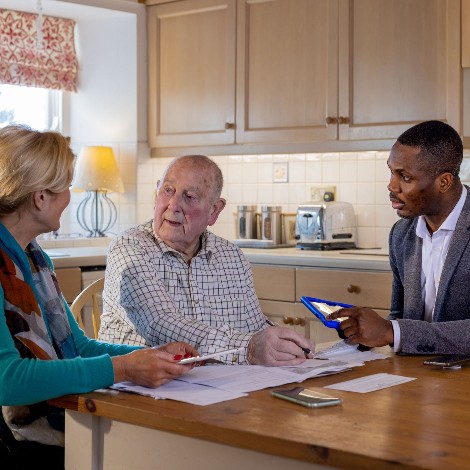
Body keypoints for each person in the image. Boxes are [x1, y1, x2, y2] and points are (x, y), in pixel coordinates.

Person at [0, 125, 198, 469]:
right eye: (66, 188)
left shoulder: (33, 258)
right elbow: (8, 379)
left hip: (56, 429)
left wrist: (150, 356)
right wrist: (123, 368)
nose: (69, 197)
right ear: (40, 198)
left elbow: (79, 347)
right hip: (13, 443)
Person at [98, 154, 314, 365]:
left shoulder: (231, 256)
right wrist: (249, 348)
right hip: (136, 389)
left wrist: (287, 344)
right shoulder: (129, 247)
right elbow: (160, 324)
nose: (173, 205)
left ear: (214, 210)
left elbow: (254, 327)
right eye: (167, 190)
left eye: (189, 196)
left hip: (211, 387)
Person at [327, 120, 470, 355]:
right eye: (392, 172)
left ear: (444, 182)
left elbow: (398, 329)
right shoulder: (401, 234)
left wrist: (392, 331)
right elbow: (400, 317)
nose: (391, 186)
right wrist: (367, 333)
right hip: (419, 374)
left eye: (405, 177)